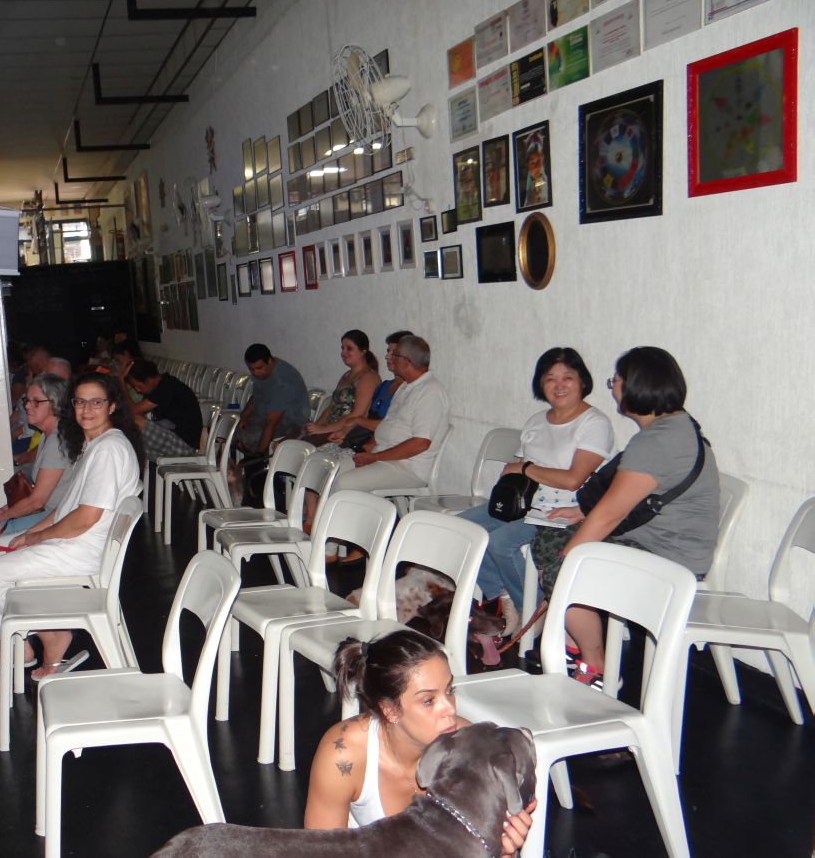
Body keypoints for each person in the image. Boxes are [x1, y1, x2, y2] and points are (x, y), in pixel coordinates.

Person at [530, 346, 720, 686]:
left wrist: (570, 554)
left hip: (670, 559)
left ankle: (597, 666)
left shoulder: (657, 442)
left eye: (615, 380)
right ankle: (576, 644)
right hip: (653, 541)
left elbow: (610, 515)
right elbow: (633, 497)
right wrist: (581, 515)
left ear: (638, 385)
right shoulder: (671, 428)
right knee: (550, 539)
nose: (613, 387)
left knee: (564, 567)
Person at [0, 372, 143, 677]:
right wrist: (32, 532)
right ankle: (28, 644)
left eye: (96, 402)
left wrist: (37, 538)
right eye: (80, 402)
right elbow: (67, 508)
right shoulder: (97, 444)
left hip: (80, 549)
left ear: (112, 406)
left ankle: (48, 636)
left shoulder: (108, 450)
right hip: (75, 542)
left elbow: (85, 518)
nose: (86, 409)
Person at [304, 629, 533, 855]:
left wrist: (502, 851)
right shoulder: (345, 755)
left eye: (449, 690)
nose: (450, 709)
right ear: (390, 710)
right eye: (428, 700)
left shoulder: (470, 750)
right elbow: (319, 852)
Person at [457, 348, 613, 630]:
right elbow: (517, 469)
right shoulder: (537, 421)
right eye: (550, 378)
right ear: (541, 384)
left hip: (563, 510)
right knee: (461, 530)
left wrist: (526, 468)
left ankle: (530, 611)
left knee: (499, 543)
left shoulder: (594, 423)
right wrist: (517, 472)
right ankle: (503, 594)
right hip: (525, 503)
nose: (559, 385)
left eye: (567, 377)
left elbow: (573, 479)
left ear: (582, 381)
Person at [332, 335, 449, 496]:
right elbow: (389, 424)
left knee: (345, 483)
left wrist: (376, 457)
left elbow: (420, 443)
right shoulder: (406, 387)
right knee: (334, 470)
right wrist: (371, 449)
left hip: (407, 467)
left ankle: (354, 513)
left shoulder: (430, 392)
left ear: (406, 361)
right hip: (384, 456)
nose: (390, 358)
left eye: (395, 355)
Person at [0, 373, 74, 540]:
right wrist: (4, 510)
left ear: (55, 404)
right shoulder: (47, 435)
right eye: (27, 400)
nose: (27, 406)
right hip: (48, 510)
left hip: (58, 515)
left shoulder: (57, 441)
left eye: (36, 401)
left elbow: (37, 502)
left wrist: (3, 515)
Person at [302, 330, 381, 446]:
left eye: (349, 348)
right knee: (292, 440)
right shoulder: (346, 375)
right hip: (328, 429)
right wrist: (315, 426)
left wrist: (323, 429)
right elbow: (330, 408)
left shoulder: (369, 377)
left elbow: (358, 414)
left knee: (301, 448)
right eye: (342, 348)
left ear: (363, 351)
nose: (343, 352)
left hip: (344, 432)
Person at [236, 343, 309, 455]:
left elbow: (271, 423)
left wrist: (259, 455)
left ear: (269, 361)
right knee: (232, 429)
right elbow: (256, 397)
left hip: (290, 423)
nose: (255, 372)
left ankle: (258, 461)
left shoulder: (283, 382)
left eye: (259, 368)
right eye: (251, 369)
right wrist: (244, 417)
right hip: (265, 417)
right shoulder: (262, 373)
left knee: (251, 437)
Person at [127, 359, 203, 460]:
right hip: (172, 437)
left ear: (149, 380)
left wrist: (120, 381)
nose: (137, 390)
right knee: (134, 443)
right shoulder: (158, 386)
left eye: (138, 386)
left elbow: (132, 411)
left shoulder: (166, 387)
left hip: (185, 446)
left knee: (136, 421)